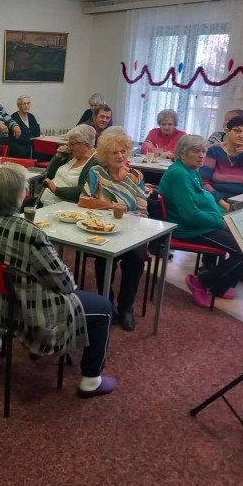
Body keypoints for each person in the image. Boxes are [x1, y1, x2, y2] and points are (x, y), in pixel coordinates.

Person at [0, 165, 116, 398]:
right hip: (27, 311)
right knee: (104, 308)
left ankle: (39, 350)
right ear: (18, 195)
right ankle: (91, 379)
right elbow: (64, 285)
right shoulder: (30, 232)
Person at [157, 135, 243, 307]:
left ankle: (218, 287)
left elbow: (205, 200)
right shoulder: (180, 174)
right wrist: (221, 222)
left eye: (204, 151)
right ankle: (201, 283)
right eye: (196, 151)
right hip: (187, 228)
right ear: (182, 154)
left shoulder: (191, 171)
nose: (202, 155)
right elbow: (189, 215)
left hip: (201, 224)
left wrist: (224, 216)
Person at [79, 127, 148, 332]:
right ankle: (106, 302)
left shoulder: (136, 176)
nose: (119, 156)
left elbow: (143, 210)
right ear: (104, 155)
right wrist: (111, 207)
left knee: (137, 257)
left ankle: (126, 306)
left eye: (123, 151)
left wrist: (128, 219)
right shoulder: (96, 172)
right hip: (102, 228)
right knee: (104, 256)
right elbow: (83, 200)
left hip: (130, 230)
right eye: (114, 152)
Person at [200, 115, 243, 211]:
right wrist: (224, 204)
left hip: (241, 201)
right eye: (237, 131)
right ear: (227, 131)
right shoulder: (214, 151)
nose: (242, 135)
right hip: (215, 201)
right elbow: (203, 182)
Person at [41, 124, 98, 206]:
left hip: (64, 209)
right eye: (68, 143)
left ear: (86, 145)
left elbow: (83, 191)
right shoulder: (72, 157)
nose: (69, 147)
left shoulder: (95, 164)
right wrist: (58, 155)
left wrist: (56, 190)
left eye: (72, 144)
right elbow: (50, 174)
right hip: (46, 201)